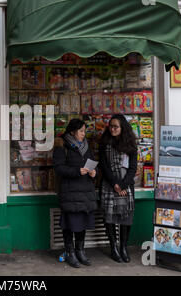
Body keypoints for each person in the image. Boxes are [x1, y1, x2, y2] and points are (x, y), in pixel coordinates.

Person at [53, 119, 98, 268]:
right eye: (81, 131)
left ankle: (80, 251)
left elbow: (92, 162)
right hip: (70, 191)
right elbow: (59, 168)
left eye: (84, 131)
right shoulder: (62, 146)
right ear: (72, 131)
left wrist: (93, 172)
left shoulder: (86, 146)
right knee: (70, 224)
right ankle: (70, 252)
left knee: (82, 223)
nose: (84, 134)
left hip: (85, 191)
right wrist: (76, 171)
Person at [99, 114, 138, 263]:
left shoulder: (130, 145)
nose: (112, 129)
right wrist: (115, 183)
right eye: (111, 126)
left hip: (126, 186)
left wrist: (123, 185)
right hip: (109, 185)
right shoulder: (104, 143)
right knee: (109, 218)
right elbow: (104, 166)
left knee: (126, 218)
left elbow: (133, 168)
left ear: (123, 128)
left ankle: (123, 247)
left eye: (116, 126)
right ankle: (113, 248)